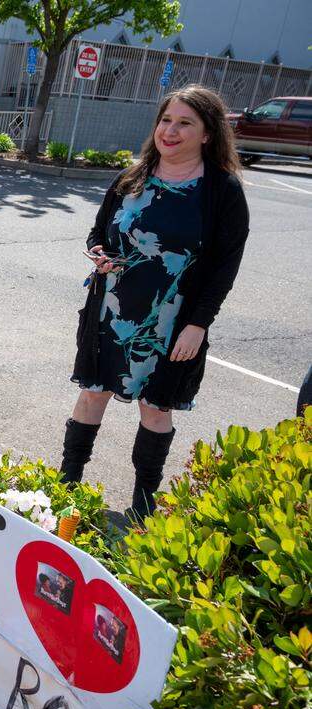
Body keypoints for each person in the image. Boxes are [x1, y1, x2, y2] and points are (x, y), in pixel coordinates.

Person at [63, 85, 249, 523]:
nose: (171, 130)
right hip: (110, 313)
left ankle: (143, 506)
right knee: (92, 394)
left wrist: (198, 324)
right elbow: (98, 233)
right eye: (166, 120)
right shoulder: (134, 176)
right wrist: (98, 254)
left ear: (207, 134)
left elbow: (225, 267)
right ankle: (65, 488)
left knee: (156, 406)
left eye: (185, 123)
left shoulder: (221, 191)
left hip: (172, 322)